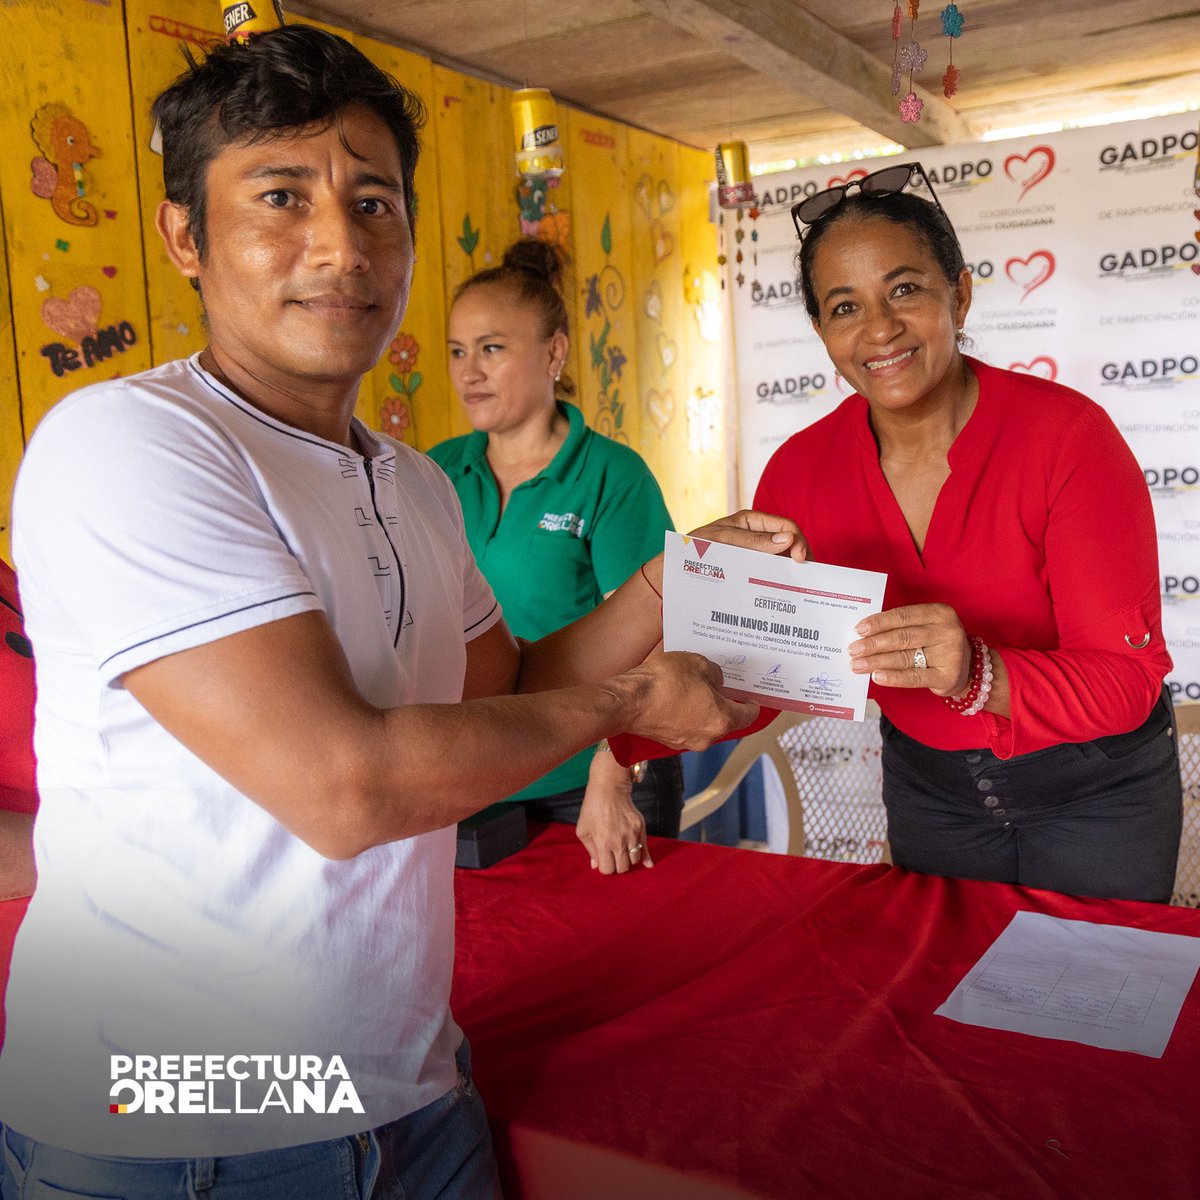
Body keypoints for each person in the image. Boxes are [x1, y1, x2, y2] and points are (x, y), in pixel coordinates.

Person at [0, 27, 790, 1199]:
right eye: (281, 196)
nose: (341, 245)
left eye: (375, 204)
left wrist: (673, 581)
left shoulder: (409, 479)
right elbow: (346, 788)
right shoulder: (130, 444)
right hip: (173, 1131)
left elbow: (509, 691)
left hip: (410, 1093)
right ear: (184, 236)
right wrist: (631, 699)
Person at [754, 161, 1181, 902]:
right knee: (950, 1004)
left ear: (960, 292)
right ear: (821, 330)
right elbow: (764, 670)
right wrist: (623, 733)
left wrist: (977, 672)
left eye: (905, 289)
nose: (880, 328)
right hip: (933, 795)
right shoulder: (797, 473)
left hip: (1098, 792)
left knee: (1092, 1008)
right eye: (845, 306)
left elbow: (1127, 681)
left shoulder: (1068, 437)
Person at [429, 240, 683, 875]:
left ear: (554, 353)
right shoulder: (433, 473)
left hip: (588, 783)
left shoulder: (611, 478)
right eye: (457, 352)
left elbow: (662, 636)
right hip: (471, 782)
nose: (468, 372)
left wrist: (613, 774)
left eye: (491, 349)